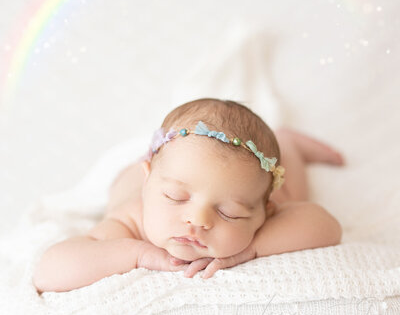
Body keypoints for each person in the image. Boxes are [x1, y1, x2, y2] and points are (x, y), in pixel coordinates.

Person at [33, 98, 345, 293]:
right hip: (134, 172)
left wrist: (251, 250)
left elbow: (325, 224)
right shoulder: (131, 222)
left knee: (292, 192)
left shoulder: (258, 211)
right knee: (175, 165)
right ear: (149, 186)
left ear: (264, 211)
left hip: (194, 168)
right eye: (175, 197)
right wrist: (137, 254)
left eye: (229, 213)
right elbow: (49, 271)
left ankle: (287, 142)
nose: (198, 220)